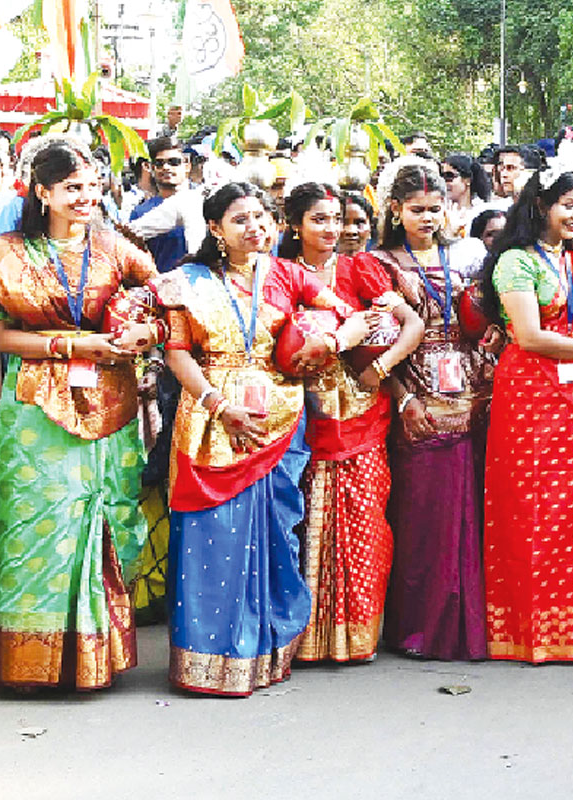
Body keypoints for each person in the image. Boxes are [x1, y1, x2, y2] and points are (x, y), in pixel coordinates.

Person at [155, 182, 381, 695]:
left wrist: (329, 340)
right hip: (211, 419)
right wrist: (220, 405)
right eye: (240, 219)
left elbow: (359, 319)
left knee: (274, 536)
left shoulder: (289, 274)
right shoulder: (185, 283)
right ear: (215, 229)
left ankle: (264, 653)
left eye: (260, 217)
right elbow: (178, 354)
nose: (254, 227)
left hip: (279, 423)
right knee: (212, 537)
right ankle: (206, 661)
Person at [0, 141, 161, 689]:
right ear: (43, 192)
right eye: (72, 188)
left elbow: (166, 311)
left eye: (93, 185)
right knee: (34, 522)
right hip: (36, 407)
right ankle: (28, 664)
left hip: (110, 403)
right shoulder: (2, 252)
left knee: (100, 518)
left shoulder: (116, 248)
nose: (86, 197)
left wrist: (141, 334)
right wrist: (70, 348)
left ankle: (93, 660)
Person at [479, 166, 573, 663]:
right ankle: (535, 631)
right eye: (567, 204)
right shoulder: (516, 262)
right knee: (537, 508)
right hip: (532, 397)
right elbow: (529, 336)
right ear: (541, 206)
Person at [277, 182, 423, 664]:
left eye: (336, 219)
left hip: (361, 412)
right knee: (300, 521)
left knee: (363, 521)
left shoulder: (358, 267)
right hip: (300, 412)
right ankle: (303, 637)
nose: (332, 229)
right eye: (319, 219)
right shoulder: (278, 274)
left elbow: (412, 325)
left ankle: (354, 637)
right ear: (293, 224)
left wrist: (379, 370)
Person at [375, 164, 494, 661]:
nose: (427, 217)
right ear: (396, 212)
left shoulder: (466, 255)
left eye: (434, 208)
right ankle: (419, 626)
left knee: (472, 508)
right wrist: (403, 398)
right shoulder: (380, 263)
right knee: (423, 513)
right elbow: (377, 347)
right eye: (416, 210)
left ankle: (467, 623)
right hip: (416, 392)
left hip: (472, 391)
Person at [127, 136, 205, 274]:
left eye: (174, 162)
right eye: (159, 163)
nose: (166, 167)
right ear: (151, 168)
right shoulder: (141, 213)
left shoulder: (205, 201)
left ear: (187, 165)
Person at [443, 154, 495, 238]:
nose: (445, 182)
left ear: (468, 180)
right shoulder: (437, 210)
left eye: (449, 176)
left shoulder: (483, 212)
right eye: (442, 176)